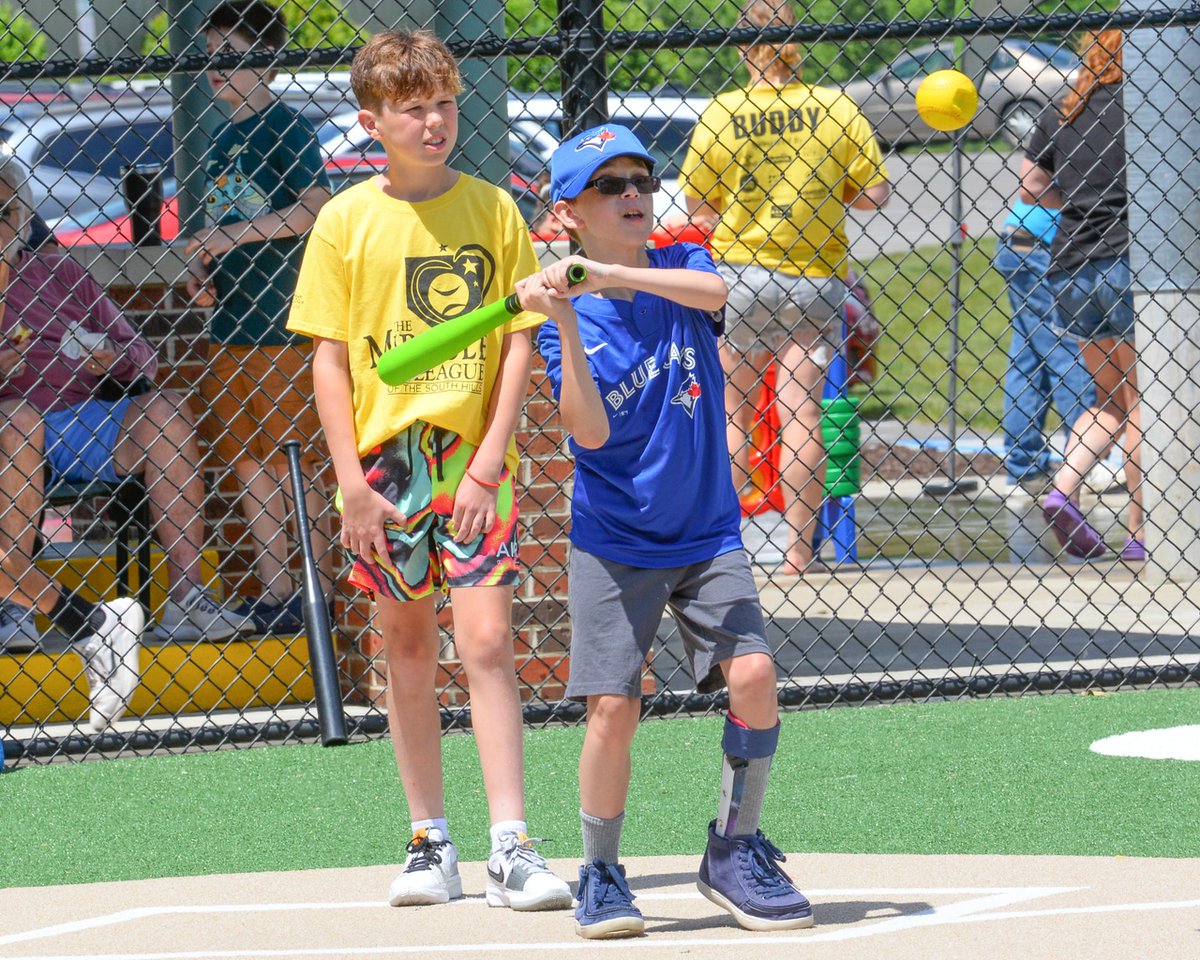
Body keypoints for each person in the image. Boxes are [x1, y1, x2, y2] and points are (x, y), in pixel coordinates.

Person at [285, 30, 571, 911]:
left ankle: (512, 844)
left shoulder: (493, 209)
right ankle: (428, 840)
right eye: (412, 109)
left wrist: (489, 459)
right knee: (406, 646)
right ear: (372, 122)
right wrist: (352, 484)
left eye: (444, 102)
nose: (435, 121)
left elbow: (518, 340)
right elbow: (330, 360)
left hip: (474, 462)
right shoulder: (344, 221)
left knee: (485, 644)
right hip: (385, 467)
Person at [524, 123, 814, 939]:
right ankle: (601, 871)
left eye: (640, 182)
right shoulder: (564, 322)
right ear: (567, 211)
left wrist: (611, 272)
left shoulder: (681, 264)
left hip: (707, 530)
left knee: (754, 674)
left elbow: (716, 294)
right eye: (608, 185)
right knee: (614, 708)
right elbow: (586, 432)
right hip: (617, 540)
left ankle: (734, 847)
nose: (631, 195)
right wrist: (567, 316)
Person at [0, 153, 238, 728]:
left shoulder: (57, 273)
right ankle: (17, 605)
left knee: (166, 410)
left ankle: (188, 597)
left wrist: (113, 359)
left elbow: (141, 355)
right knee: (19, 417)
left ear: (23, 217)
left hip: (81, 418)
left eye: (4, 212)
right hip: (11, 428)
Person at [679, 0, 889, 576]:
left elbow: (699, 205)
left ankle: (724, 547)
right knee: (801, 411)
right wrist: (825, 191)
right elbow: (873, 195)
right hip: (815, 274)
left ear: (741, 48)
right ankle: (799, 550)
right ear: (799, 41)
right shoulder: (834, 106)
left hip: (740, 273)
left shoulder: (723, 111)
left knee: (733, 410)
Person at [182, 0, 334, 635]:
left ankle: (318, 592)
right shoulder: (220, 138)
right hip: (231, 326)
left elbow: (315, 207)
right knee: (249, 462)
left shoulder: (284, 126)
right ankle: (278, 595)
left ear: (266, 59)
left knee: (298, 463)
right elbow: (227, 223)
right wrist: (206, 266)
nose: (216, 68)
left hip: (282, 324)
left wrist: (229, 237)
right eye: (210, 56)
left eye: (231, 55)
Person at [1023, 29, 1143, 561]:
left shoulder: (1064, 109)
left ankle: (1063, 490)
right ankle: (1141, 529)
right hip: (1130, 259)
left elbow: (1030, 185)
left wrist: (1074, 199)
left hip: (1070, 262)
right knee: (1142, 399)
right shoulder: (1145, 106)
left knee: (1106, 397)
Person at [994, 199, 1094, 490]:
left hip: (1018, 240)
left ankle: (1025, 468)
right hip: (1042, 248)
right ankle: (1085, 467)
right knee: (1069, 352)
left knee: (1028, 357)